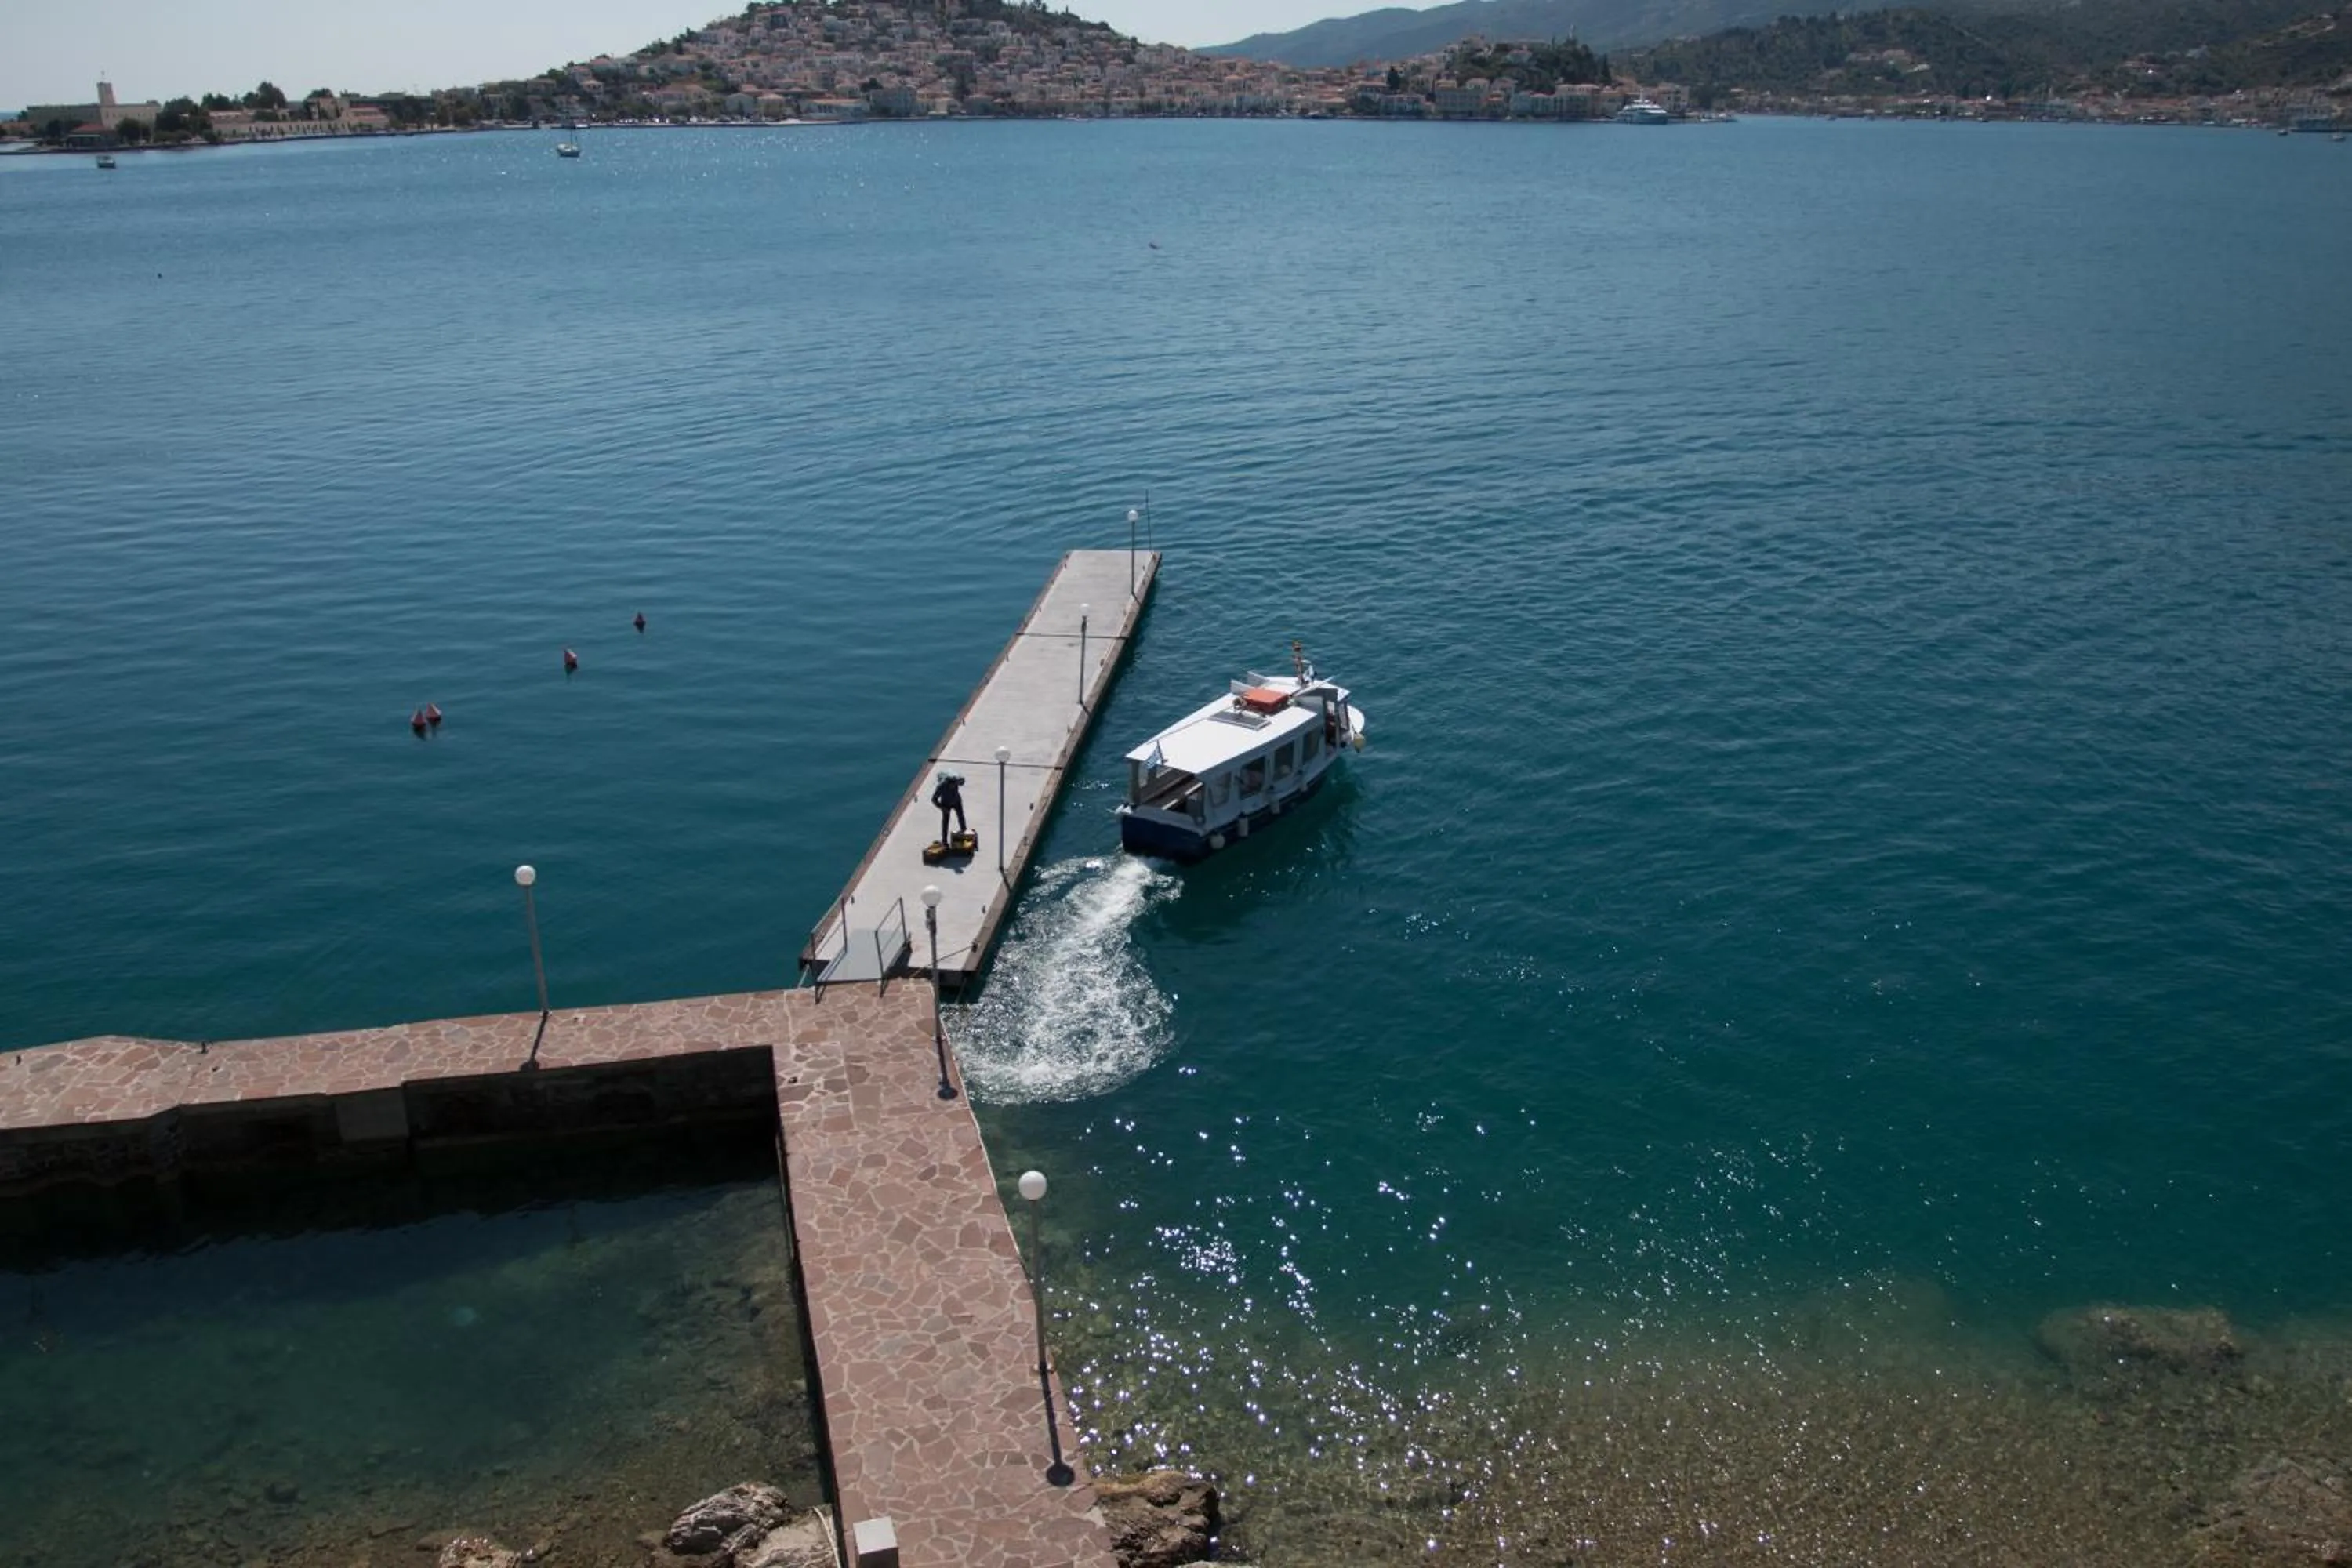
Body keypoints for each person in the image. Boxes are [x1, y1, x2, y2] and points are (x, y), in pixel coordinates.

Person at [931, 773, 967, 846]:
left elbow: (962, 782)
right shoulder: (941, 787)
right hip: (946, 804)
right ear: (948, 784)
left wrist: (962, 780)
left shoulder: (956, 781)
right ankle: (944, 841)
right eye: (952, 786)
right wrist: (942, 808)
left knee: (961, 816)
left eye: (955, 786)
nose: (954, 787)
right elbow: (934, 799)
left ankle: (964, 832)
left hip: (957, 801)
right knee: (945, 822)